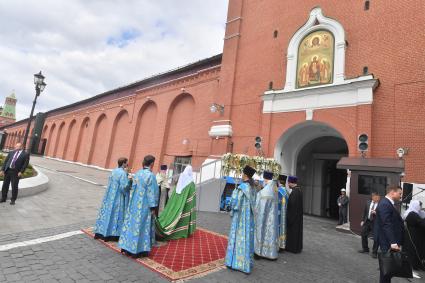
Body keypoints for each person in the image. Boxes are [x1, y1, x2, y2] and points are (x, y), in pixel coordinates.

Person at [118, 155, 159, 258]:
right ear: (152, 163)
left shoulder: (138, 173)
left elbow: (133, 187)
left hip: (135, 202)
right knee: (141, 226)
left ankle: (126, 246)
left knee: (132, 224)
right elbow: (152, 192)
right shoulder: (150, 176)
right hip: (144, 204)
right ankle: (138, 249)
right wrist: (153, 207)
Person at [225, 165, 256, 274]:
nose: (242, 175)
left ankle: (235, 263)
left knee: (238, 237)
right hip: (249, 218)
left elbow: (235, 202)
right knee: (246, 237)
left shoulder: (242, 188)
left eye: (243, 173)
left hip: (240, 217)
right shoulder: (253, 188)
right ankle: (246, 263)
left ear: (245, 175)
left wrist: (230, 206)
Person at [93, 157, 132, 241]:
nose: (127, 164)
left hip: (110, 196)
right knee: (116, 215)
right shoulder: (122, 173)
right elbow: (124, 187)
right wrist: (130, 181)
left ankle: (102, 231)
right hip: (118, 197)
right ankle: (114, 234)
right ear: (123, 163)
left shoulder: (114, 171)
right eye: (126, 163)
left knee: (109, 213)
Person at [155, 165, 196, 240]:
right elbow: (192, 194)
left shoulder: (182, 179)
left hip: (177, 202)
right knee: (184, 217)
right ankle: (183, 231)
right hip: (186, 204)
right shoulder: (191, 182)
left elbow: (176, 191)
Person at [375, 186, 404, 283]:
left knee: (388, 270)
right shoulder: (385, 204)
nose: (401, 196)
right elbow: (386, 224)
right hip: (387, 243)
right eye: (399, 193)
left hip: (390, 242)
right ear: (392, 192)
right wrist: (393, 242)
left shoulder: (389, 204)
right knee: (386, 269)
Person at [254, 171, 279, 260]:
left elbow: (260, 206)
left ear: (265, 178)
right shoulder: (274, 188)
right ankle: (270, 253)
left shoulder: (265, 191)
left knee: (261, 230)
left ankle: (258, 252)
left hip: (265, 216)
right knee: (270, 233)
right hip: (272, 217)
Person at [403, 200, 425, 271]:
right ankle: (413, 265)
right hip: (413, 236)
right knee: (413, 251)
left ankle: (417, 264)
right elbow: (421, 223)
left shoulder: (416, 213)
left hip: (417, 236)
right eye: (420, 206)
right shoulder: (412, 214)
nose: (421, 207)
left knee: (417, 251)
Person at [358, 192, 380, 258]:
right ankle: (365, 249)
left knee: (376, 237)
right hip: (367, 221)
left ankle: (374, 252)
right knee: (363, 234)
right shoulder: (368, 202)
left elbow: (382, 214)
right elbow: (365, 212)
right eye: (373, 196)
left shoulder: (380, 204)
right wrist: (362, 220)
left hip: (375, 223)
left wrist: (376, 213)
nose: (375, 198)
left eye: (376, 197)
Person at [286, 175, 303, 254]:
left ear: (291, 183)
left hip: (293, 217)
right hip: (297, 217)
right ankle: (297, 247)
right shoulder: (298, 190)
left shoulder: (295, 192)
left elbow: (292, 206)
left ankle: (292, 248)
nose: (288, 185)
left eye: (288, 183)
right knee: (297, 232)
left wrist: (288, 217)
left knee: (293, 233)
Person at [277, 174, 289, 251]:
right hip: (285, 213)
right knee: (283, 228)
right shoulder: (287, 192)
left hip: (278, 213)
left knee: (278, 228)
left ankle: (278, 244)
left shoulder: (278, 191)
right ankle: (283, 244)